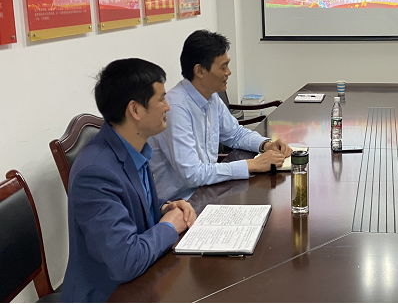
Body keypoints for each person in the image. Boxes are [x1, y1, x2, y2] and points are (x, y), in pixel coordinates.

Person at [62, 59, 197, 302]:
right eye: (161, 99)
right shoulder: (94, 173)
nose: (167, 107)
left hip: (142, 279)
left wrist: (165, 208)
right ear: (135, 110)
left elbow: (133, 201)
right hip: (108, 294)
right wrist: (169, 226)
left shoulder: (133, 148)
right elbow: (125, 261)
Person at [150, 30, 292, 201]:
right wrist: (252, 165)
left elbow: (235, 134)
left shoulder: (211, 97)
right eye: (223, 67)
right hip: (181, 202)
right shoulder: (175, 108)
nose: (229, 72)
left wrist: (266, 144)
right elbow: (193, 174)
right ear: (199, 71)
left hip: (208, 191)